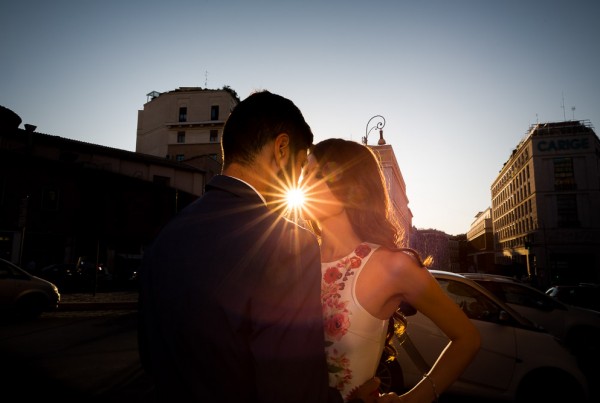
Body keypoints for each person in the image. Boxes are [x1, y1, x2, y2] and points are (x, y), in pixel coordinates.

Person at [137, 91, 381, 403]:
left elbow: (149, 357)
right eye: (299, 164)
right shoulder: (289, 244)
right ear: (281, 148)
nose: (300, 180)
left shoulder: (164, 239)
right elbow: (293, 392)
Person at [299, 138, 481, 403]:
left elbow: (468, 338)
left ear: (351, 186)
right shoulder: (297, 259)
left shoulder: (392, 266)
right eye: (304, 175)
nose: (305, 185)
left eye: (317, 175)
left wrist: (414, 399)